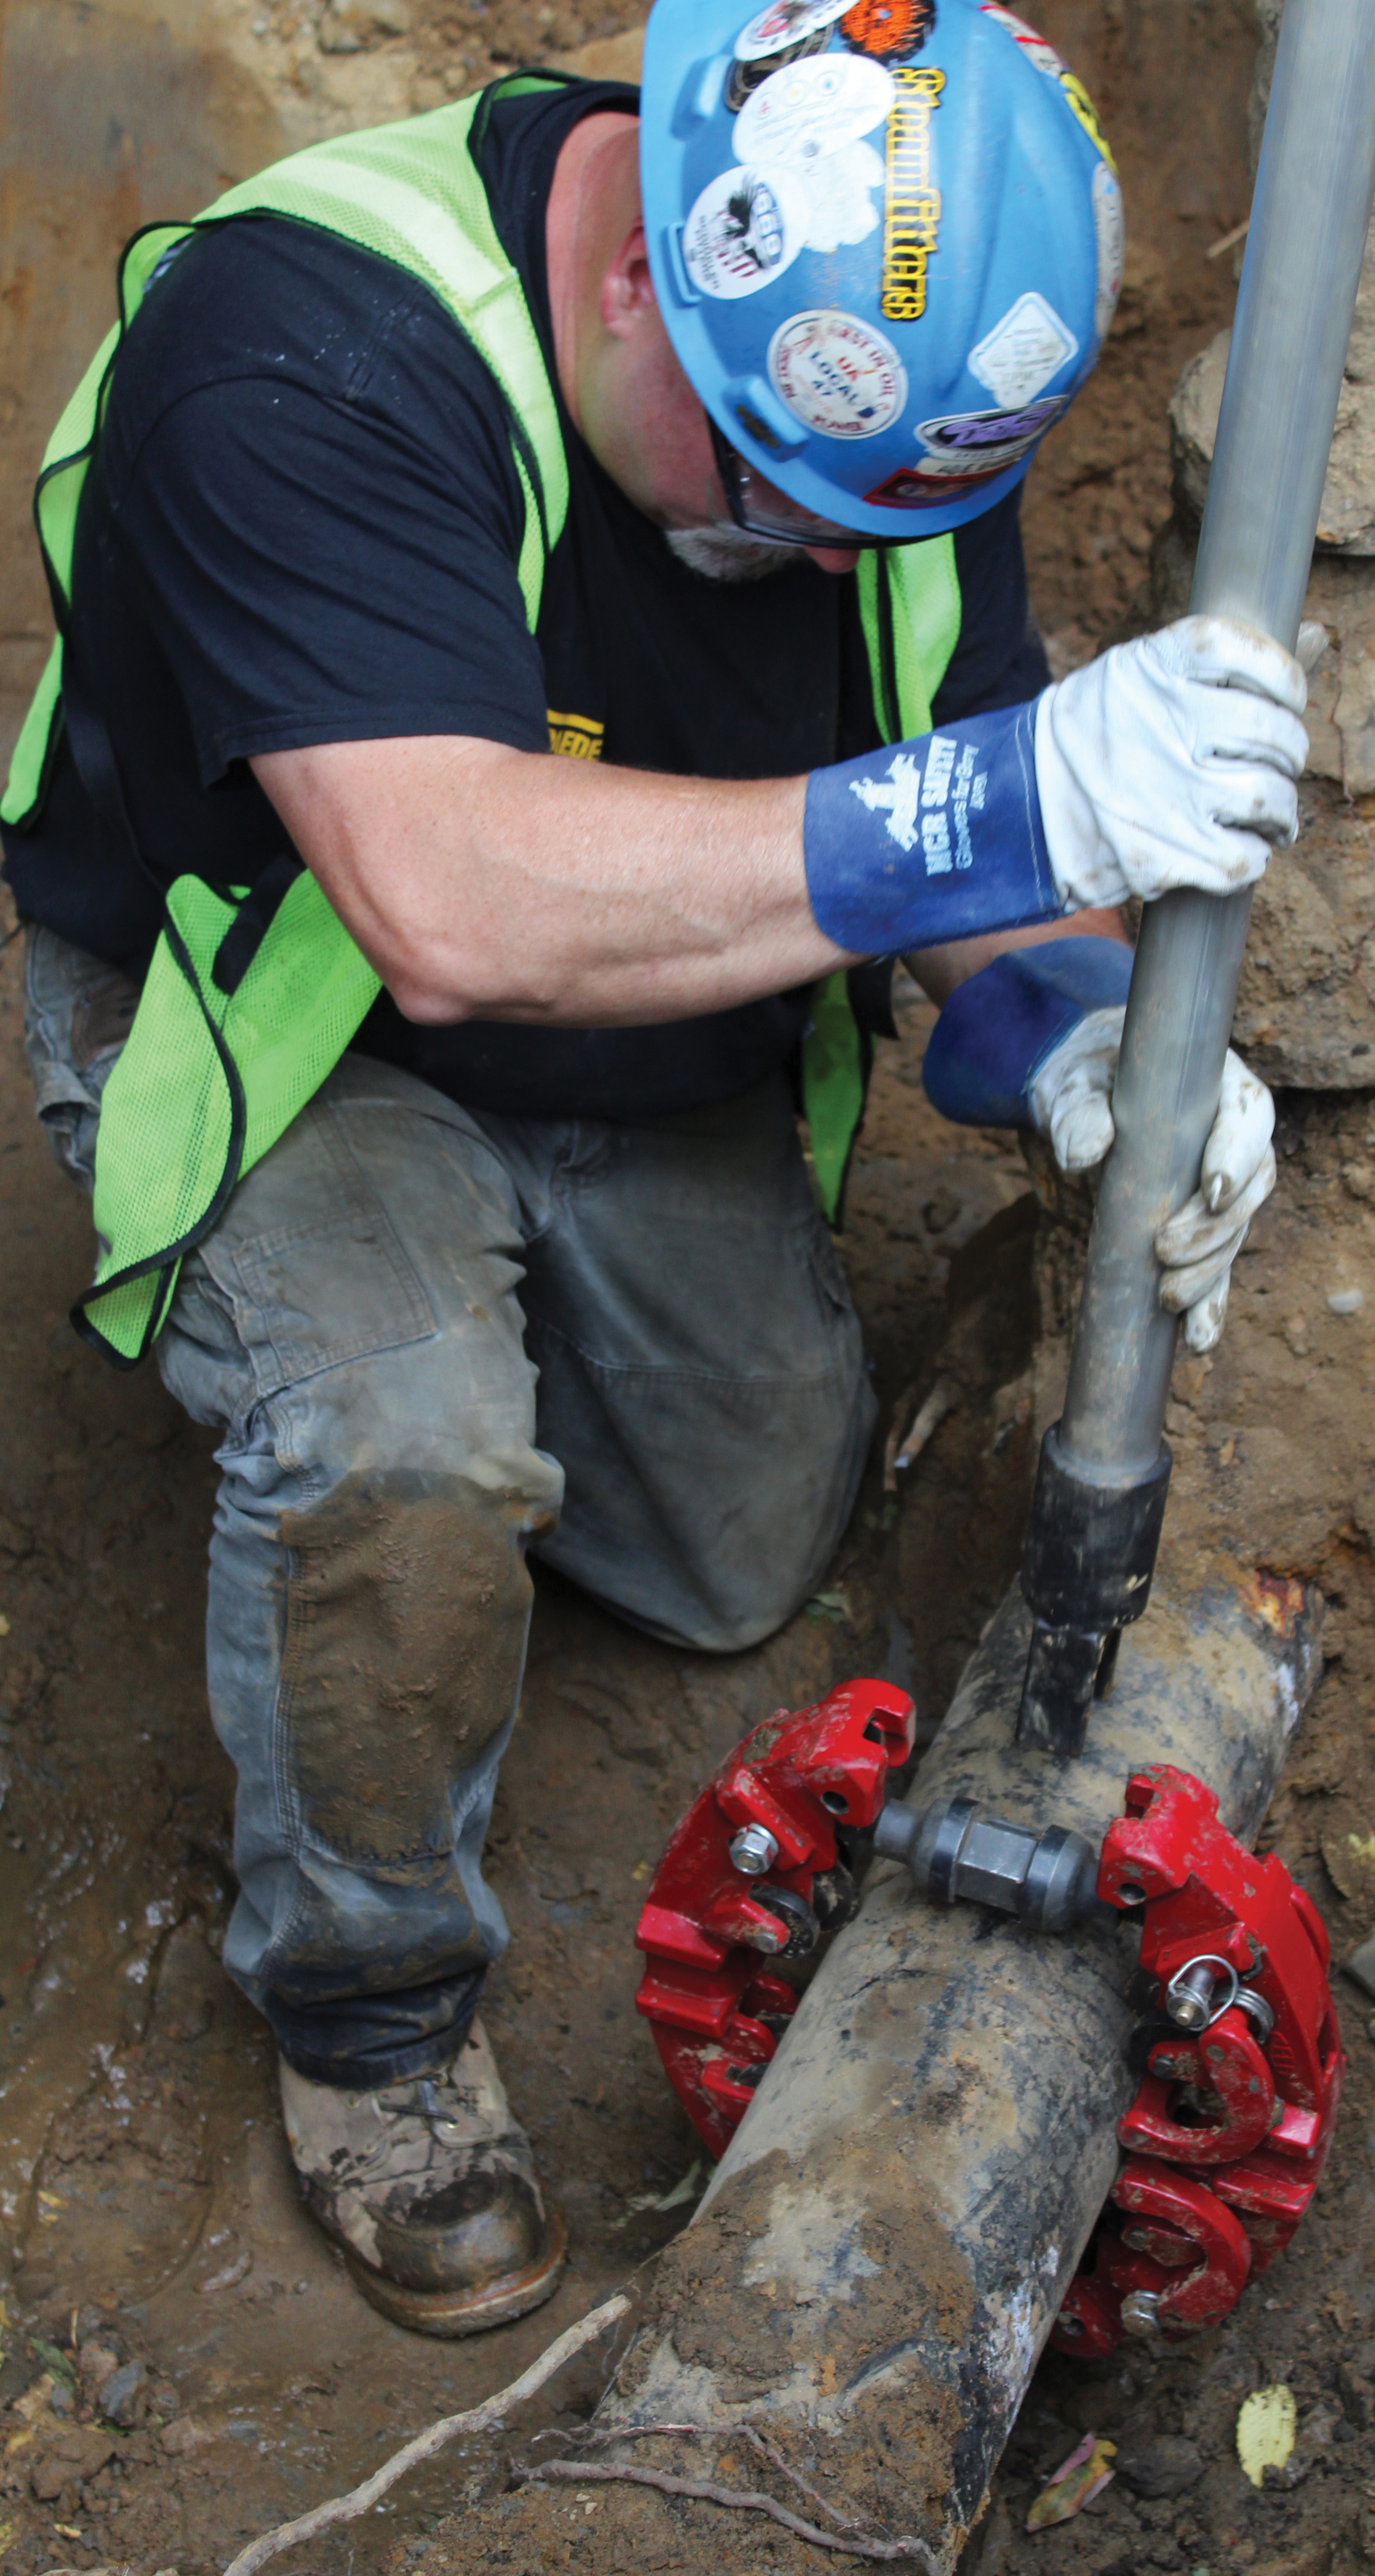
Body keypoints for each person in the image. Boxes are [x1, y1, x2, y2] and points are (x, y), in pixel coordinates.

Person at [0, 0, 1306, 2337]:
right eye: (783, 501)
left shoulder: (882, 384)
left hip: (659, 1035)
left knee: (730, 1568)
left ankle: (477, 1467)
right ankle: (370, 2022)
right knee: (399, 1439)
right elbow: (450, 901)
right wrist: (1009, 806)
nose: (828, 559)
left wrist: (1101, 1031)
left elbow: (975, 810)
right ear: (636, 284)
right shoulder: (302, 351)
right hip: (307, 1025)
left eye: (872, 523)